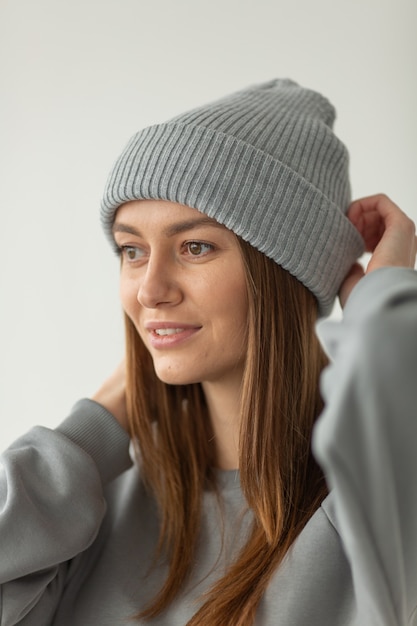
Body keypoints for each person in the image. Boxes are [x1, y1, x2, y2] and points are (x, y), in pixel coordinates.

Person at [1, 79, 416, 626]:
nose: (150, 290)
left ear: (282, 275)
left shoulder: (367, 511)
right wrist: (98, 420)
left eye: (195, 247)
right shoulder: (91, 513)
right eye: (132, 250)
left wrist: (378, 306)